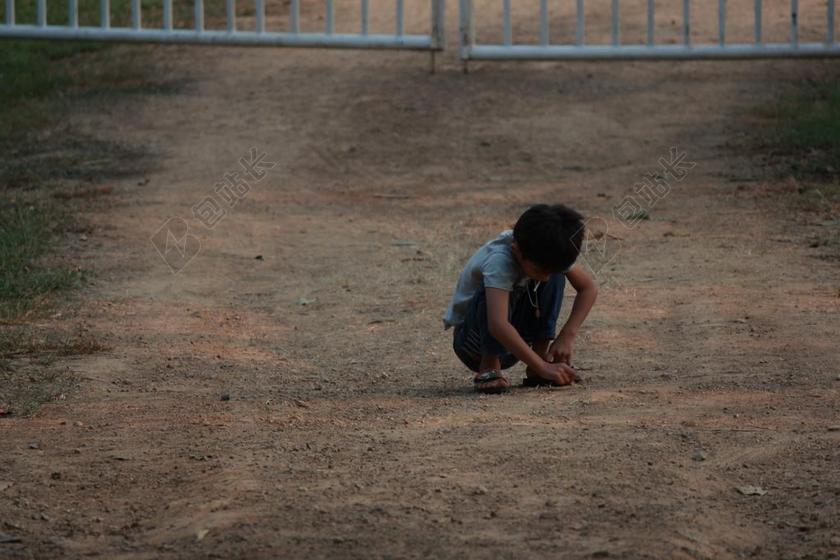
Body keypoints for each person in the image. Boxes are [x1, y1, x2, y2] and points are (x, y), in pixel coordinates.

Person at [443, 204, 598, 394]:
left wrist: (566, 336)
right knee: (493, 287)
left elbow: (588, 289)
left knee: (556, 274)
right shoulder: (500, 259)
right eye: (539, 270)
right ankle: (489, 366)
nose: (545, 277)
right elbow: (497, 324)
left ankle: (540, 358)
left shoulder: (548, 250)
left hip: (515, 342)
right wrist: (544, 367)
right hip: (473, 343)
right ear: (516, 250)